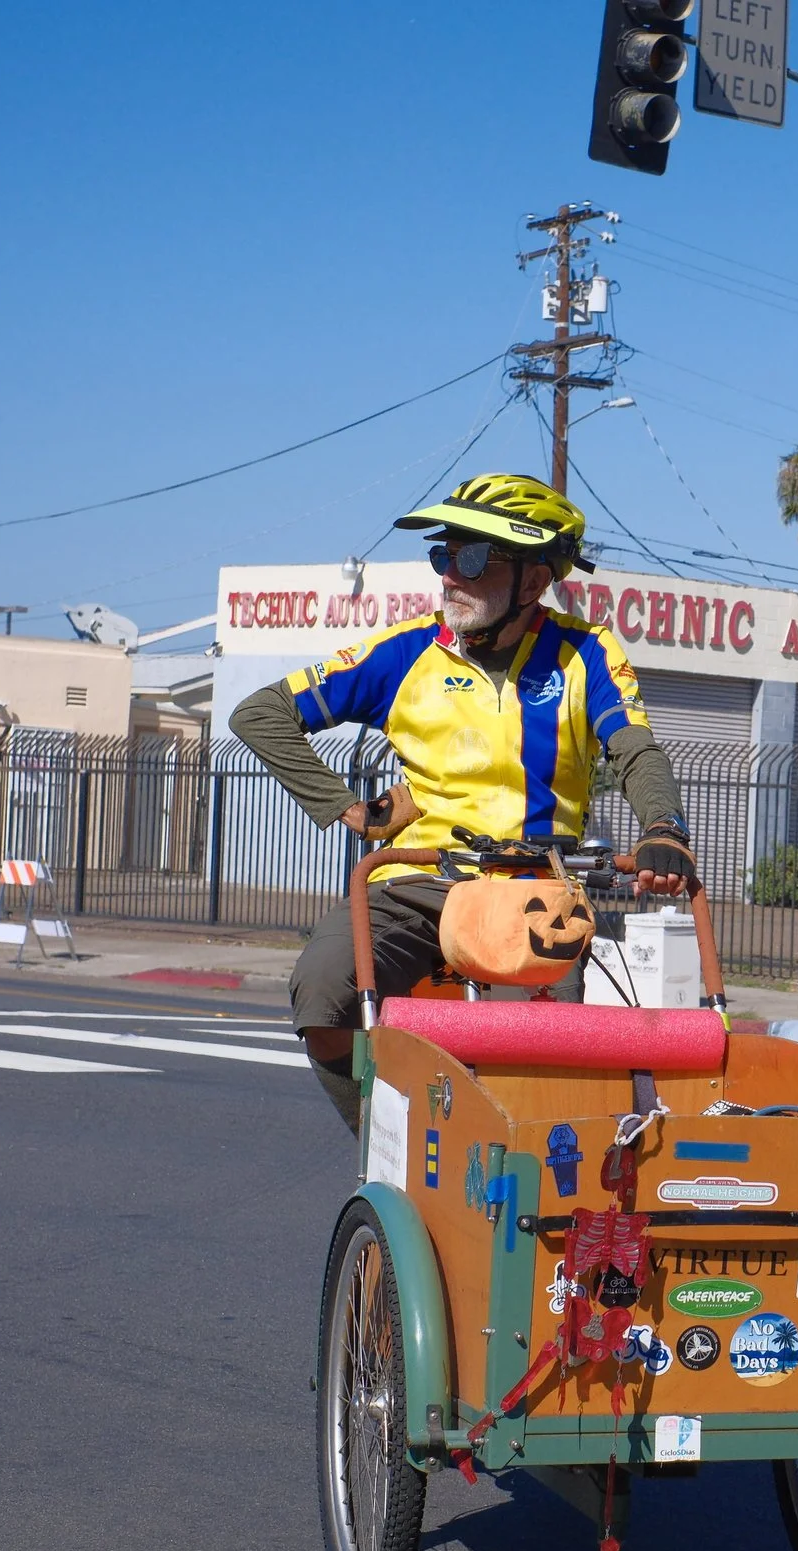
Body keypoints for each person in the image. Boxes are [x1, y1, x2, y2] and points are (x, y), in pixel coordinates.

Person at [230, 472, 697, 1130]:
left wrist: (663, 827)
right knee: (323, 991)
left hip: (536, 888)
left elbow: (635, 750)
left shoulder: (585, 654)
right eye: (443, 554)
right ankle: (396, 1148)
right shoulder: (405, 652)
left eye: (472, 558)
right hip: (417, 882)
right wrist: (349, 808)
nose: (450, 574)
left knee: (553, 1054)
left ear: (534, 581)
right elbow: (262, 714)